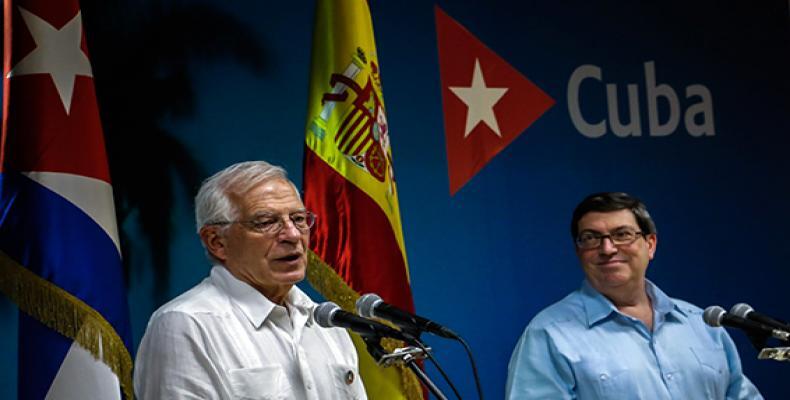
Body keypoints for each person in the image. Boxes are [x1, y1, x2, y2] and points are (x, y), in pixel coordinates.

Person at [134, 161, 367, 400]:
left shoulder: (326, 323)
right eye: (266, 222)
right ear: (217, 242)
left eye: (298, 218)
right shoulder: (186, 325)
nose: (293, 235)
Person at [505, 192, 762, 399]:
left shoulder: (703, 323)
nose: (607, 248)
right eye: (591, 238)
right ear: (578, 251)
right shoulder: (549, 334)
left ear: (650, 245)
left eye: (622, 235)